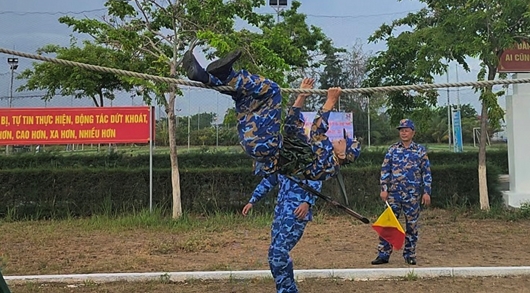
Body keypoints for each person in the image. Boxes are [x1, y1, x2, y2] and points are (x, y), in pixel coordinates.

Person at [183, 50, 360, 181]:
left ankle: (228, 75)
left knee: (272, 91)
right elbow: (291, 127)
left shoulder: (329, 164)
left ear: (343, 155)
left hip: (266, 145)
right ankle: (205, 76)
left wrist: (330, 101)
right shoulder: (313, 155)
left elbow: (316, 131)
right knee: (246, 96)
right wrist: (301, 96)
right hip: (258, 143)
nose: (339, 139)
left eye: (343, 142)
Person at [242, 173, 322, 293]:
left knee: (279, 253)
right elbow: (270, 179)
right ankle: (285, 289)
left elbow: (317, 178)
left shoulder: (305, 157)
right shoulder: (283, 159)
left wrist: (307, 202)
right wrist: (253, 200)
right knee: (273, 255)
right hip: (281, 212)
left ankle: (288, 290)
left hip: (297, 212)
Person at [371, 118, 432, 266]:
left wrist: (427, 192)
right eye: (401, 130)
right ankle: (383, 254)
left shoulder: (420, 150)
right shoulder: (392, 149)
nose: (403, 133)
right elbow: (385, 170)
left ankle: (410, 254)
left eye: (406, 130)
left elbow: (426, 172)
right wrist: (384, 189)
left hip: (412, 195)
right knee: (389, 224)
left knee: (412, 225)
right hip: (393, 195)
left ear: (413, 132)